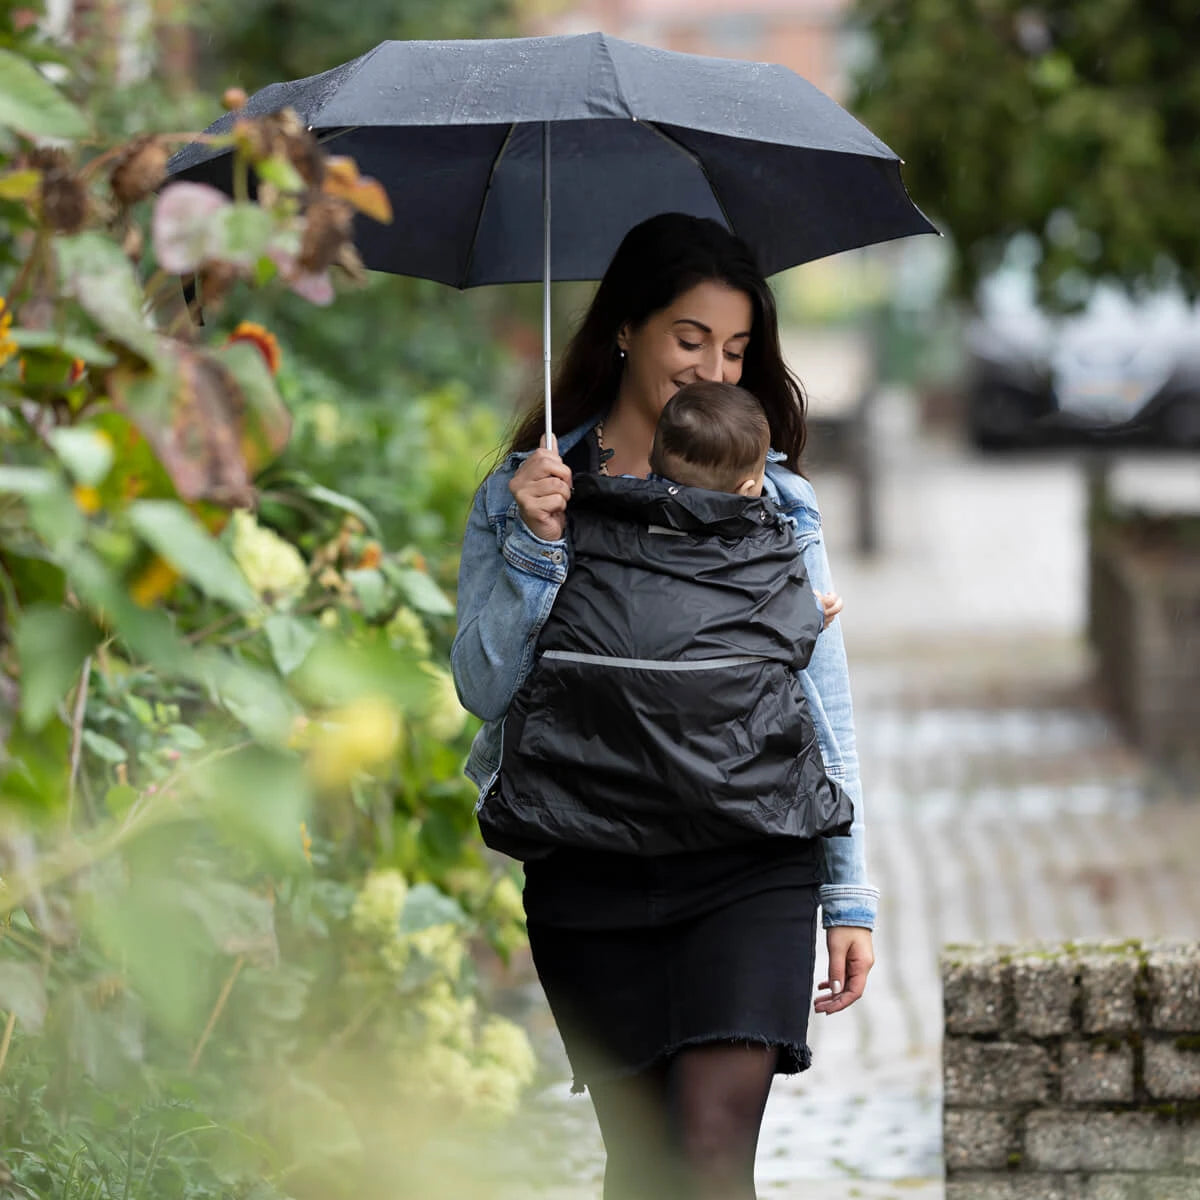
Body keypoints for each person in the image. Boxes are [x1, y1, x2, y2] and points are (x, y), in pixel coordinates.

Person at [451, 212, 877, 1200]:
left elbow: (823, 705)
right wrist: (532, 550)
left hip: (748, 861)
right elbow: (482, 688)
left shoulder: (776, 502)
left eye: (735, 349)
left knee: (714, 1146)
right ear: (627, 330)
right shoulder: (528, 493)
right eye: (691, 339)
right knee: (643, 1164)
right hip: (590, 866)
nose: (714, 370)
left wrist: (847, 894)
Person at [479, 379, 853, 864]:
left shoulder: (590, 524)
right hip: (744, 815)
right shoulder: (768, 551)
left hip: (586, 814)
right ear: (750, 488)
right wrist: (809, 615)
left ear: (654, 468)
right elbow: (791, 641)